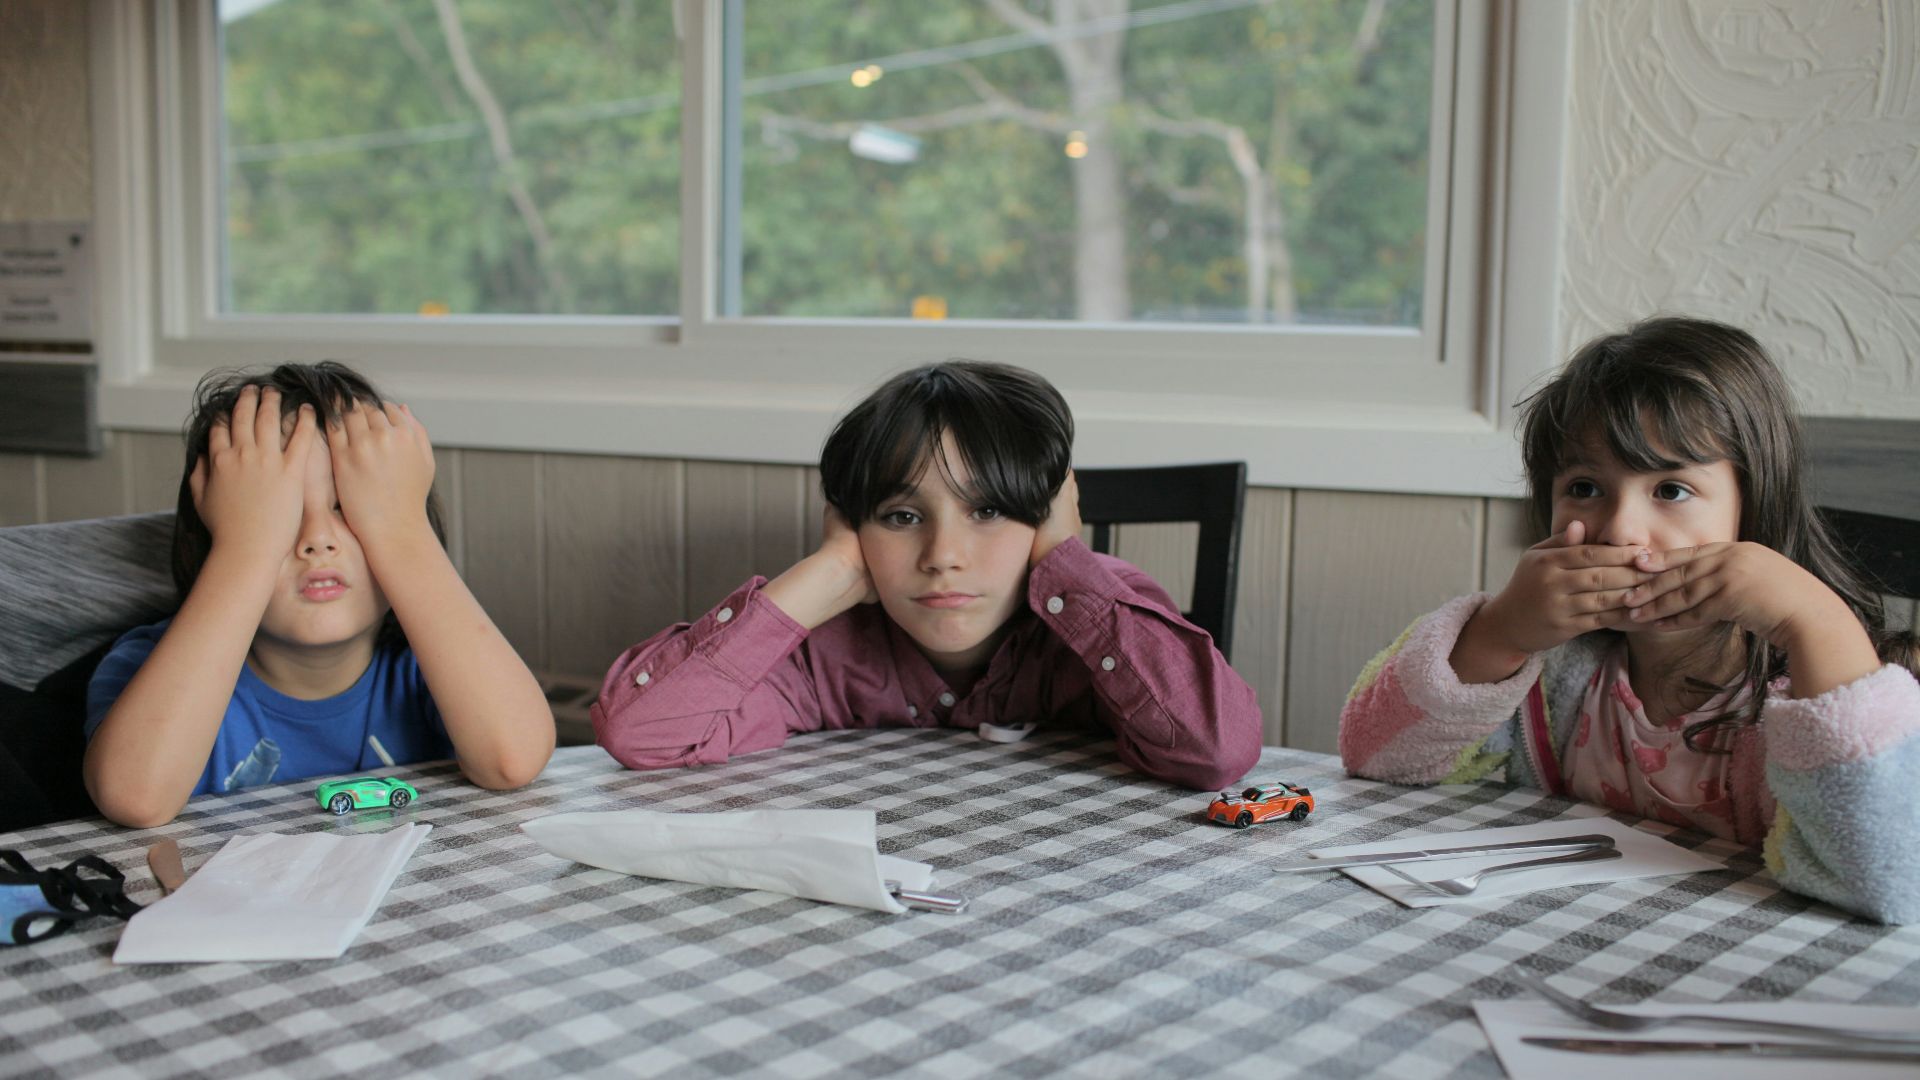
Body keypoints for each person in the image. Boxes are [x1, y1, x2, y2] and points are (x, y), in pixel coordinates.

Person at [1339, 317, 1920, 923]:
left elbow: (1891, 878)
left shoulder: (1824, 687)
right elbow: (1378, 760)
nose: (1620, 531)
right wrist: (1500, 631)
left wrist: (1815, 620)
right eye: (1586, 487)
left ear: (1755, 508)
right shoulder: (1549, 672)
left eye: (1670, 490)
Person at [593, 360, 1262, 790]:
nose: (944, 554)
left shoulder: (1098, 614)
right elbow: (640, 733)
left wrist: (1065, 559)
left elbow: (1218, 750)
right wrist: (825, 574)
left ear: (1049, 516)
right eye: (902, 516)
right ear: (853, 529)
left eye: (990, 510)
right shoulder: (821, 654)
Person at [85, 363, 554, 827]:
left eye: (348, 509)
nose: (317, 540)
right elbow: (136, 798)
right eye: (280, 517)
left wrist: (402, 531)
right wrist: (246, 548)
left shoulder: (430, 668)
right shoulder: (146, 665)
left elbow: (512, 761)